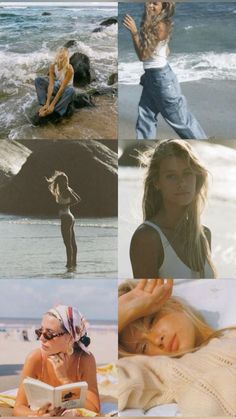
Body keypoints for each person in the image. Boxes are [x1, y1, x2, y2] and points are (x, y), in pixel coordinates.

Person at [118, 279, 236, 416]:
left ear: (174, 305)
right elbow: (110, 383)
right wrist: (121, 314)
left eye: (152, 321)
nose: (157, 340)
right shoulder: (167, 373)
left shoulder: (230, 336)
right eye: (143, 347)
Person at [130, 139, 216, 279]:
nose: (181, 183)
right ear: (157, 182)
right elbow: (147, 300)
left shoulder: (203, 234)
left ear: (197, 177)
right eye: (171, 176)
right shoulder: (147, 238)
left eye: (187, 173)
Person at [123, 2, 207, 140]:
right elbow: (167, 51)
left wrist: (134, 33)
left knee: (180, 121)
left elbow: (143, 56)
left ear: (163, 6)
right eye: (149, 2)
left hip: (161, 79)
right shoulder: (153, 23)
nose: (150, 6)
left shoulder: (160, 25)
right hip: (154, 77)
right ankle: (144, 150)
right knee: (146, 118)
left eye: (155, 3)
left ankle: (205, 148)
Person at [14, 305, 100, 416]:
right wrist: (37, 415)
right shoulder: (35, 358)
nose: (41, 338)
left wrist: (65, 380)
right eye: (40, 331)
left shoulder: (84, 360)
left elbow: (94, 408)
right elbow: (18, 408)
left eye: (49, 334)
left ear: (69, 337)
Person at [46, 171, 81, 271]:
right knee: (72, 242)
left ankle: (69, 264)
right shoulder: (64, 190)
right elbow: (78, 198)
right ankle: (73, 263)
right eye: (62, 180)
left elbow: (77, 200)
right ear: (59, 181)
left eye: (65, 180)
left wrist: (65, 205)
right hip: (69, 217)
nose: (64, 182)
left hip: (66, 218)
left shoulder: (66, 190)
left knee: (67, 243)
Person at [34, 47, 74, 123]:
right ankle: (43, 104)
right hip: (57, 86)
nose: (61, 59)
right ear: (57, 56)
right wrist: (47, 103)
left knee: (71, 90)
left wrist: (52, 105)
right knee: (38, 80)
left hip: (66, 90)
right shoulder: (53, 66)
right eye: (60, 56)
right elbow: (51, 85)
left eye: (63, 57)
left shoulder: (69, 69)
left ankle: (56, 111)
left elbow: (62, 88)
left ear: (67, 58)